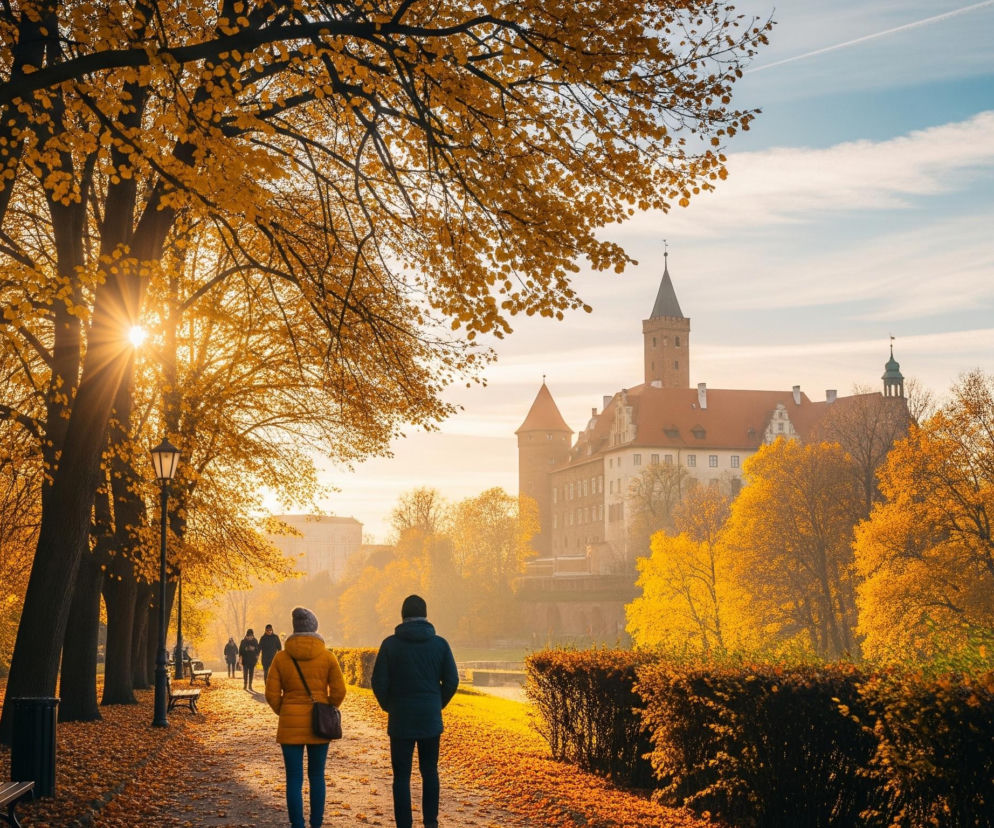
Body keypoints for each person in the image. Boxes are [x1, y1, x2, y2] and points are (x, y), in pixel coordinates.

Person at [372, 594, 459, 828]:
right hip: (430, 718)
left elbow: (378, 682)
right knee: (430, 771)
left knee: (401, 776)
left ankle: (404, 824)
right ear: (426, 615)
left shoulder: (390, 644)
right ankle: (430, 823)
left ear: (403, 615)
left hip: (400, 718)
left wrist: (389, 706)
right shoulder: (440, 644)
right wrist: (436, 703)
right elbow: (452, 681)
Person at [266, 607, 346, 828]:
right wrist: (328, 707)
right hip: (319, 724)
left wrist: (285, 710)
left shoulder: (281, 658)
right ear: (314, 628)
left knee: (294, 778)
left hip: (290, 723)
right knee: (317, 776)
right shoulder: (327, 656)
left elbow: (271, 694)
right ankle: (316, 823)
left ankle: (297, 824)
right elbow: (339, 691)